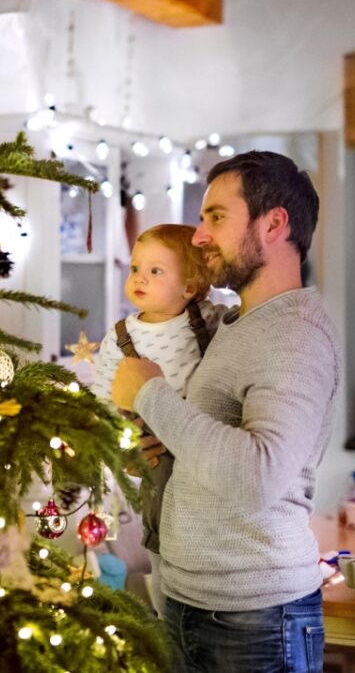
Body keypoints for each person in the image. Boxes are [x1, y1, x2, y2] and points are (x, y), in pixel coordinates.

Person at [111, 151, 342, 673]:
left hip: (256, 620)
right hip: (195, 603)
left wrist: (151, 395)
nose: (198, 236)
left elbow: (259, 473)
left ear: (274, 223)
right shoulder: (235, 325)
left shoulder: (295, 333)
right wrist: (157, 446)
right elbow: (210, 446)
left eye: (215, 216)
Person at [90, 224, 225, 614]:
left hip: (200, 443)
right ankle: (168, 614)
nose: (139, 278)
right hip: (153, 452)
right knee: (161, 538)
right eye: (135, 268)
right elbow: (102, 397)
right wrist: (120, 438)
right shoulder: (120, 336)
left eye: (155, 271)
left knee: (203, 535)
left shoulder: (210, 320)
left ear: (190, 287)